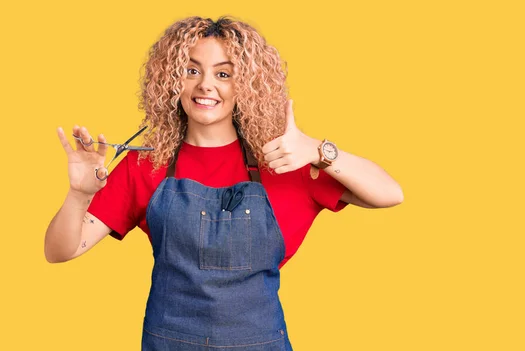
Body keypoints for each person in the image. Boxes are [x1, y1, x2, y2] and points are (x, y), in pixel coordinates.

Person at [45, 16, 403, 351]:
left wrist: (316, 150)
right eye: (191, 70)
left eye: (224, 74)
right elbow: (60, 251)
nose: (205, 85)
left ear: (245, 84)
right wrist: (78, 194)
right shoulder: (145, 165)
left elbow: (389, 194)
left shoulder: (283, 160)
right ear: (171, 81)